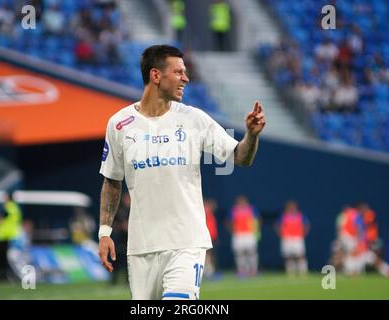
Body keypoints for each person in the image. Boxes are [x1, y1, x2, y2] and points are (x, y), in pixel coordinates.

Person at [97, 44, 266, 300]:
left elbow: (239, 157)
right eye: (178, 72)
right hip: (142, 247)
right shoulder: (119, 124)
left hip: (186, 242)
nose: (186, 78)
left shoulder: (194, 119)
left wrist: (251, 136)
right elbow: (111, 181)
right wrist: (104, 232)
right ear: (156, 76)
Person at [228, 195, 261, 277]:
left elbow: (258, 220)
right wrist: (232, 230)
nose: (241, 203)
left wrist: (256, 231)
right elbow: (229, 222)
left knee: (251, 252)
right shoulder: (234, 210)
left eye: (243, 201)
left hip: (249, 234)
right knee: (239, 253)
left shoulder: (251, 209)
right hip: (238, 234)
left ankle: (253, 270)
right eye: (240, 201)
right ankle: (241, 271)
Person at [275, 200, 310, 276]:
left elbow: (307, 225)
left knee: (300, 255)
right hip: (287, 238)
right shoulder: (284, 216)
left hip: (297, 238)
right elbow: (277, 225)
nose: (291, 208)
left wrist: (303, 233)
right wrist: (281, 234)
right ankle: (290, 272)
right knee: (288, 256)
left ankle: (303, 271)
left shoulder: (300, 216)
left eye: (292, 207)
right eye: (289, 207)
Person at [203, 198, 219, 279]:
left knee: (211, 256)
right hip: (206, 238)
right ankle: (208, 273)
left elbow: (214, 205)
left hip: (212, 237)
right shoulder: (202, 212)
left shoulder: (209, 212)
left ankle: (210, 272)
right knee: (206, 256)